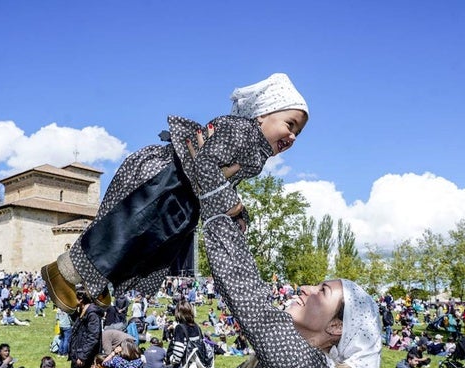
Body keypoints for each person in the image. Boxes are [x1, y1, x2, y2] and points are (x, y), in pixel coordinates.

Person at [189, 121, 385, 368]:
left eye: (323, 292)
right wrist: (233, 213)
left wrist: (213, 198)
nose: (307, 288)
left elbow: (246, 294)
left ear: (336, 330)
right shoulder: (297, 362)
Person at [41, 73, 308, 314]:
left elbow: (225, 181)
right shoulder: (241, 132)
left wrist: (238, 212)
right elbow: (205, 162)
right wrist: (231, 205)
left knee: (144, 247)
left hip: (182, 198)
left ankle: (95, 280)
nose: (293, 136)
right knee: (124, 231)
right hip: (165, 182)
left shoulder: (256, 151)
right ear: (263, 114)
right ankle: (63, 272)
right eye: (290, 124)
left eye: (298, 132)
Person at [68, 289, 104, 368]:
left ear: (81, 299)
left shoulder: (92, 314)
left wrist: (83, 356)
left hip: (87, 355)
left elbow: (93, 337)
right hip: (81, 353)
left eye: (75, 297)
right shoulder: (83, 311)